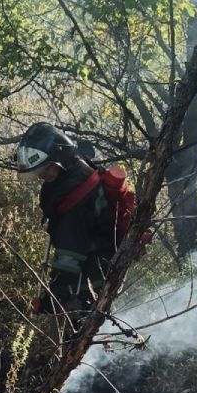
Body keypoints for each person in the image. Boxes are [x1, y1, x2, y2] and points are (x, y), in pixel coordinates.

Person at [14, 122, 120, 325]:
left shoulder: (76, 195)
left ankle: (93, 348)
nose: (40, 176)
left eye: (45, 170)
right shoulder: (73, 171)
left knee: (88, 326)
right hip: (96, 266)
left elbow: (70, 255)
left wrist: (52, 300)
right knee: (96, 317)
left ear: (59, 160)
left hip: (93, 274)